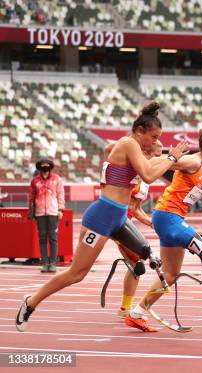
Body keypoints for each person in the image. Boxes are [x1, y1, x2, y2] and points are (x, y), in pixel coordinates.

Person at [16, 101, 189, 332]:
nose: (156, 142)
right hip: (102, 216)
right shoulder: (128, 143)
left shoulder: (132, 147)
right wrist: (173, 157)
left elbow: (135, 160)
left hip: (118, 218)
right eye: (153, 136)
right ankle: (31, 301)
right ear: (139, 132)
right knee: (76, 273)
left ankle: (133, 311)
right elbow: (148, 175)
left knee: (143, 260)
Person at [125, 127, 202, 332]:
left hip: (176, 219)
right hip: (166, 215)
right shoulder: (193, 162)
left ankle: (137, 313)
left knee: (171, 274)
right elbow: (152, 163)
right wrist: (168, 158)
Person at [104, 139, 164, 318]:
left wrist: (153, 223)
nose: (157, 159)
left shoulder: (146, 178)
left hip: (125, 224)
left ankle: (125, 308)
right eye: (155, 155)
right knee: (137, 264)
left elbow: (135, 209)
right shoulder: (130, 166)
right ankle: (124, 309)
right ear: (145, 152)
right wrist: (132, 141)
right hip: (113, 220)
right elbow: (107, 149)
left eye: (160, 156)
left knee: (136, 265)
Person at [28, 158, 65, 273]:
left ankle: (53, 263)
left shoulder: (56, 179)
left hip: (53, 212)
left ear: (50, 167)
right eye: (42, 165)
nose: (45, 167)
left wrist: (60, 209)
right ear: (39, 167)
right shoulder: (35, 181)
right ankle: (44, 263)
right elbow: (31, 197)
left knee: (53, 239)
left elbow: (60, 194)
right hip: (39, 213)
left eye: (47, 165)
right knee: (42, 239)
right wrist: (31, 211)